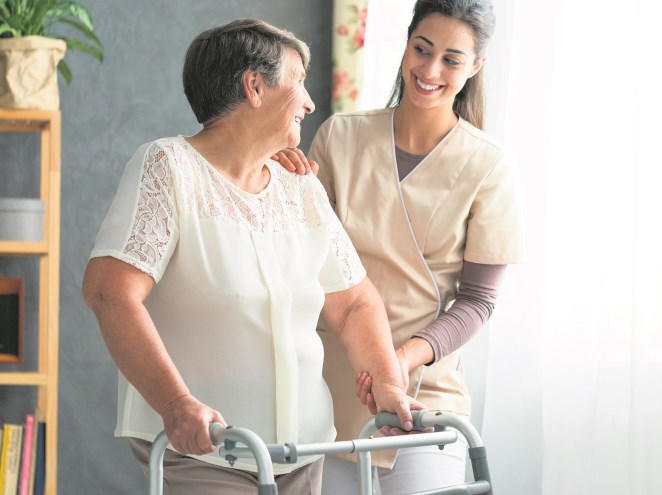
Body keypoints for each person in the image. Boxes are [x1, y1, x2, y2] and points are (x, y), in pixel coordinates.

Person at [82, 18, 419, 495]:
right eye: (299, 81)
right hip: (203, 449)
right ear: (255, 86)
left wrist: (387, 382)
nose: (310, 102)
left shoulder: (299, 187)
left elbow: (355, 303)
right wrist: (176, 404)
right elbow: (109, 292)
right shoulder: (169, 168)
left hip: (304, 451)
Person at [275, 0, 525, 492]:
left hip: (425, 398)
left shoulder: (490, 167)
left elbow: (477, 301)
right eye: (422, 49)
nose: (430, 70)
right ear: (407, 42)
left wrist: (400, 359)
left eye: (452, 59)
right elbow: (296, 259)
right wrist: (277, 179)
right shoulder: (340, 137)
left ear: (476, 67)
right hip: (332, 390)